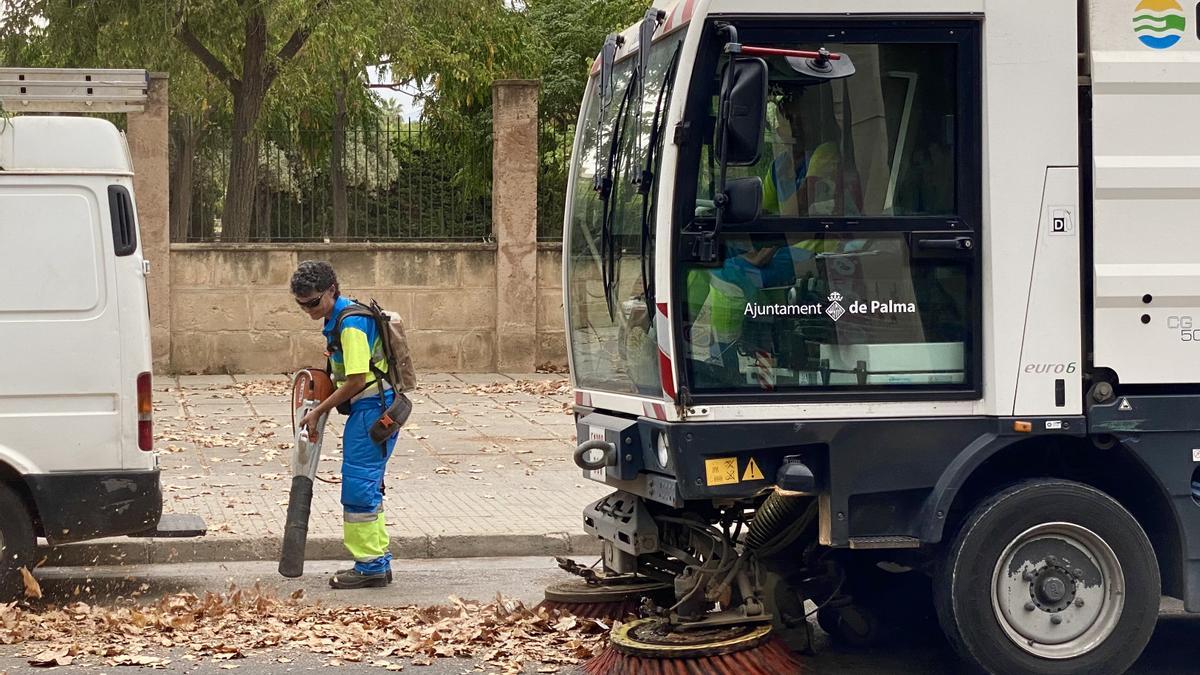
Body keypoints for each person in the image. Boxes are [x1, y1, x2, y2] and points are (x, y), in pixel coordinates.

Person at [291, 260, 397, 589]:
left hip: (371, 410)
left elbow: (353, 380)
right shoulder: (341, 315)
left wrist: (319, 410)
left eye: (313, 302)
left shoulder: (350, 325)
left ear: (332, 291)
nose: (308, 310)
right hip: (374, 407)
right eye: (301, 304)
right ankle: (377, 560)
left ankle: (370, 567)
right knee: (368, 485)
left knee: (358, 488)